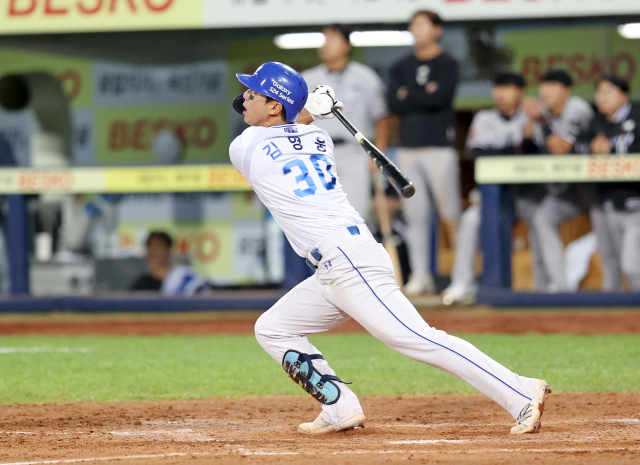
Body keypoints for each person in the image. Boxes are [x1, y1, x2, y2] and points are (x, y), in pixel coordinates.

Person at [230, 61, 550, 437]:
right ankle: (339, 405)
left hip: (348, 260)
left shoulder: (245, 145)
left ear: (274, 106)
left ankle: (519, 390)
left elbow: (287, 126)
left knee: (416, 337)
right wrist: (314, 111)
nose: (244, 97)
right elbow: (295, 127)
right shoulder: (323, 140)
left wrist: (307, 110)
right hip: (338, 261)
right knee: (274, 328)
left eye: (254, 92)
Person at [443, 72, 538, 304]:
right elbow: (476, 153)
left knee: (541, 221)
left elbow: (535, 154)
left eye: (508, 87)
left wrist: (529, 132)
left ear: (520, 92)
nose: (501, 93)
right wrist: (512, 149)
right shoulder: (484, 118)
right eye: (498, 87)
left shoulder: (532, 116)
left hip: (528, 196)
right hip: (493, 198)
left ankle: (548, 287)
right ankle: (462, 284)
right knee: (469, 221)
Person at [387, 10, 461, 296]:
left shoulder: (447, 64)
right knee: (415, 216)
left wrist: (412, 94)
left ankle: (460, 276)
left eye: (421, 24)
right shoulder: (400, 66)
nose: (415, 30)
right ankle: (420, 276)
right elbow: (395, 102)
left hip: (439, 148)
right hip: (408, 147)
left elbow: (440, 97)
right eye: (413, 25)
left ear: (437, 30)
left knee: (450, 214)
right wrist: (423, 93)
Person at [302, 24, 389, 218]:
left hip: (354, 153)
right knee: (319, 217)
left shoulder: (366, 77)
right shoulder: (308, 80)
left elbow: (381, 117)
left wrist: (378, 154)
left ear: (347, 45)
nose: (326, 45)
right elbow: (296, 119)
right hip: (317, 153)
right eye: (323, 39)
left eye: (332, 39)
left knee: (355, 216)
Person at [522, 69, 597, 292]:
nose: (545, 90)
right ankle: (561, 289)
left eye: (552, 85)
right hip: (568, 188)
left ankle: (623, 298)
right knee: (542, 218)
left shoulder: (577, 108)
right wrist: (530, 118)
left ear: (567, 90)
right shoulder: (542, 112)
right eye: (544, 85)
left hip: (596, 187)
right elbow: (527, 146)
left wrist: (540, 118)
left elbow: (559, 148)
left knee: (608, 234)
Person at [574, 76, 640, 290]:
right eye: (598, 92)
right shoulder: (597, 122)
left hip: (637, 204)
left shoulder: (637, 116)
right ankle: (617, 313)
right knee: (612, 260)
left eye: (607, 92)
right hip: (609, 203)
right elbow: (577, 146)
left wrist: (613, 152)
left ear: (623, 95)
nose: (601, 98)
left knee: (632, 264)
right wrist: (592, 149)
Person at [130, 231, 209, 296]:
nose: (154, 252)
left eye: (158, 247)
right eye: (150, 247)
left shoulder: (182, 278)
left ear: (168, 251)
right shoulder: (142, 283)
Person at [369, 182, 411, 285]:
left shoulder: (406, 232)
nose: (382, 203)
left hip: (405, 287)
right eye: (376, 198)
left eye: (389, 198)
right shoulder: (367, 233)